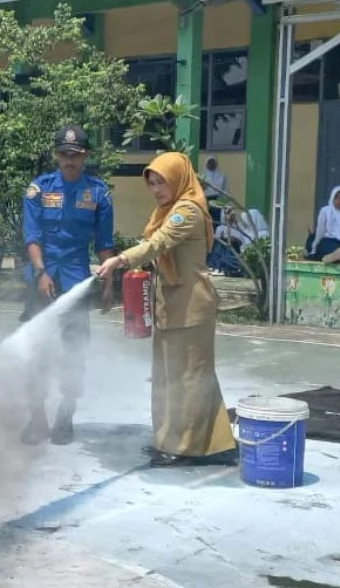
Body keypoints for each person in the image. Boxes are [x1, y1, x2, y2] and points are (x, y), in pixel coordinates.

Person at [96, 152, 236, 468]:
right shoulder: (168, 209)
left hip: (190, 307)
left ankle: (185, 448)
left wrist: (119, 260)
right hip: (171, 307)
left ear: (179, 179)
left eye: (163, 181)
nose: (157, 189)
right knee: (176, 377)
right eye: (153, 183)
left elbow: (158, 244)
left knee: (188, 379)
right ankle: (212, 443)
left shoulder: (186, 211)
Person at [18, 126, 115, 446]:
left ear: (85, 156)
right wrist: (42, 272)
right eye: (63, 154)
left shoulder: (98, 194)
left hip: (76, 279)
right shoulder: (39, 190)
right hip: (41, 279)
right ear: (56, 155)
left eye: (75, 155)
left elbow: (104, 244)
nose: (69, 160)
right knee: (36, 351)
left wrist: (108, 283)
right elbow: (32, 237)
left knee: (75, 352)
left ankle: (65, 415)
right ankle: (36, 417)